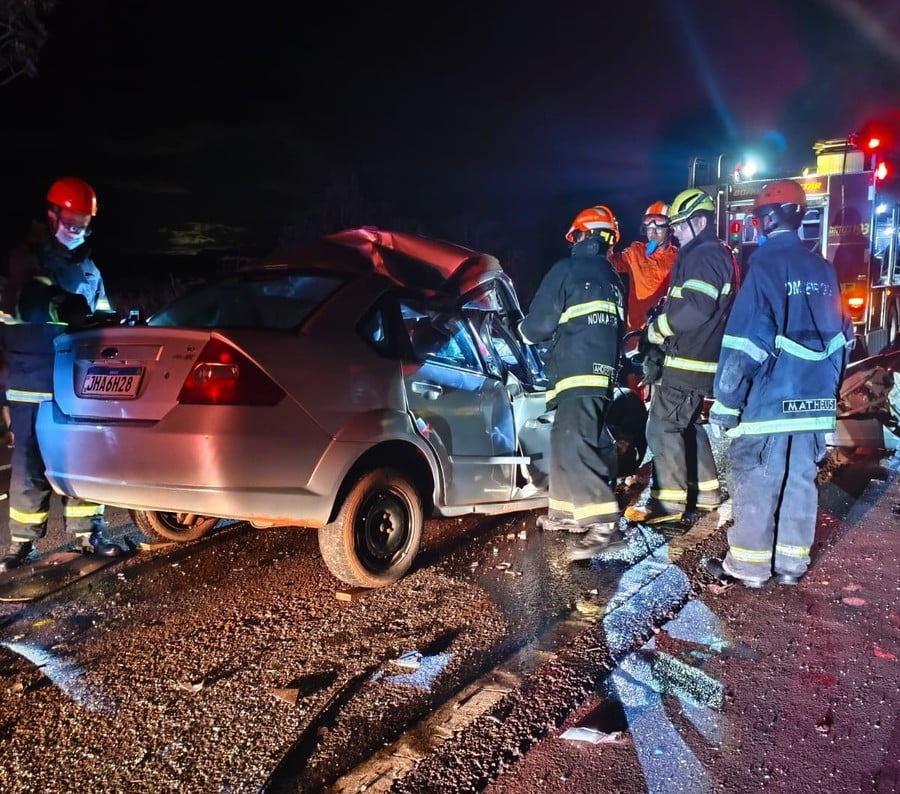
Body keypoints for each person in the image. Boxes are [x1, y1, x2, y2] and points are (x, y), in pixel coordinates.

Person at [703, 179, 852, 587]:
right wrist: (828, 392)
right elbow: (845, 338)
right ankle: (790, 564)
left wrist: (727, 403)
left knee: (758, 476)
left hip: (772, 400)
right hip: (814, 402)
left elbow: (745, 344)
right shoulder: (823, 269)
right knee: (800, 478)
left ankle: (748, 565)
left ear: (766, 219)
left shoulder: (765, 267)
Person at [0, 176, 121, 572]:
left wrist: (110, 324)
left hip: (74, 383)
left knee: (82, 458)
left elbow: (100, 313)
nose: (76, 228)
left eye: (83, 221)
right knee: (29, 465)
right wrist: (62, 307)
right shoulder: (24, 260)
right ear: (51, 215)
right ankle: (21, 544)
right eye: (70, 218)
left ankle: (89, 531)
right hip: (29, 382)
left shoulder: (88, 269)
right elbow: (25, 300)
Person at [624, 188, 739, 525]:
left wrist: (659, 328)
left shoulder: (703, 255)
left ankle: (667, 506)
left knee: (661, 427)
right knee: (687, 424)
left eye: (679, 225)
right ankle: (704, 494)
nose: (675, 232)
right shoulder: (712, 253)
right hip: (699, 357)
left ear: (700, 221)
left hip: (688, 358)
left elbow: (697, 307)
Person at [518, 205, 627, 560]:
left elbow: (537, 327)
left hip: (575, 373)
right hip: (601, 376)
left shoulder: (566, 270)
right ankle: (567, 512)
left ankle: (604, 522)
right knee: (564, 440)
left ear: (582, 236)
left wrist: (518, 329)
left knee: (572, 441)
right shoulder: (612, 279)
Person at [607, 200, 676, 338]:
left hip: (666, 333)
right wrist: (610, 241)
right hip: (635, 333)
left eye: (658, 228)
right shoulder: (635, 252)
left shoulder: (679, 258)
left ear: (671, 229)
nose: (653, 233)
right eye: (649, 228)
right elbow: (610, 263)